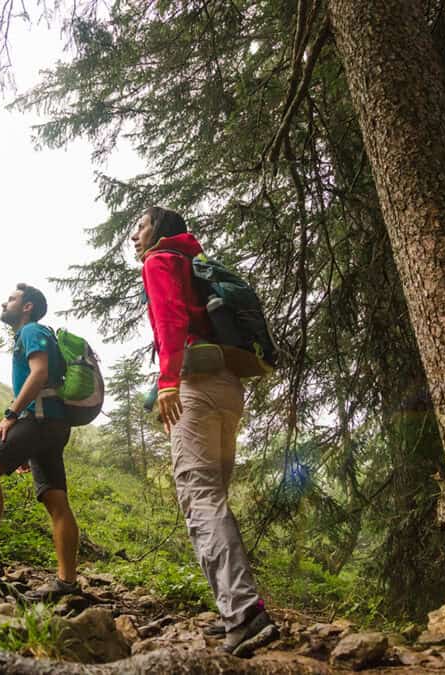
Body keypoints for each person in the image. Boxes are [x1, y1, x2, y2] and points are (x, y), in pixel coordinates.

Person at [131, 206, 279, 656]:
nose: (133, 236)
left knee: (199, 497)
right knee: (213, 496)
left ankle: (244, 613)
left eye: (140, 226)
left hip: (195, 384)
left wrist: (167, 382)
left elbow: (170, 321)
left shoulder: (160, 261)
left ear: (158, 230)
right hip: (230, 388)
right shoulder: (193, 264)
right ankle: (234, 607)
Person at [0, 283, 80, 600]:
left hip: (40, 418)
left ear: (28, 306)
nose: (5, 303)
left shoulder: (31, 330)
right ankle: (66, 583)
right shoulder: (37, 332)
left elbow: (39, 373)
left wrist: (11, 415)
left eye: (12, 299)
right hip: (54, 425)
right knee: (56, 501)